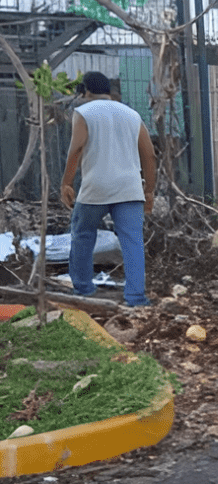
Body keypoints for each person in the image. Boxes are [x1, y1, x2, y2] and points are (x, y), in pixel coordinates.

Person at [59, 71, 156, 307]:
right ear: (109, 91)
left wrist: (66, 183)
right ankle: (136, 298)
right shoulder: (132, 115)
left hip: (95, 188)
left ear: (86, 91)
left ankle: (83, 289)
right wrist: (150, 190)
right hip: (129, 189)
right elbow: (149, 155)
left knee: (83, 236)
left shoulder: (83, 112)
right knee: (132, 241)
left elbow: (77, 150)